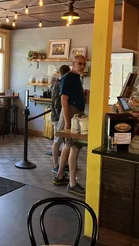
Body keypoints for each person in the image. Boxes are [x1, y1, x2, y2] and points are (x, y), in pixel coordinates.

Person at [53, 55, 87, 196]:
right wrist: (67, 122)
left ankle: (60, 176)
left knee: (68, 146)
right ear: (73, 63)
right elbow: (64, 100)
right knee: (72, 146)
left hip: (76, 114)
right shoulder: (67, 77)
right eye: (79, 63)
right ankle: (72, 183)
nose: (82, 66)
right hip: (70, 114)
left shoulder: (76, 78)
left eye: (84, 64)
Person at [50, 65, 70, 174]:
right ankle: (55, 165)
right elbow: (58, 102)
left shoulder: (58, 83)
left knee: (61, 141)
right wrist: (60, 117)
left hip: (58, 115)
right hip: (57, 116)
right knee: (57, 141)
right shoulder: (58, 84)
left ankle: (62, 164)